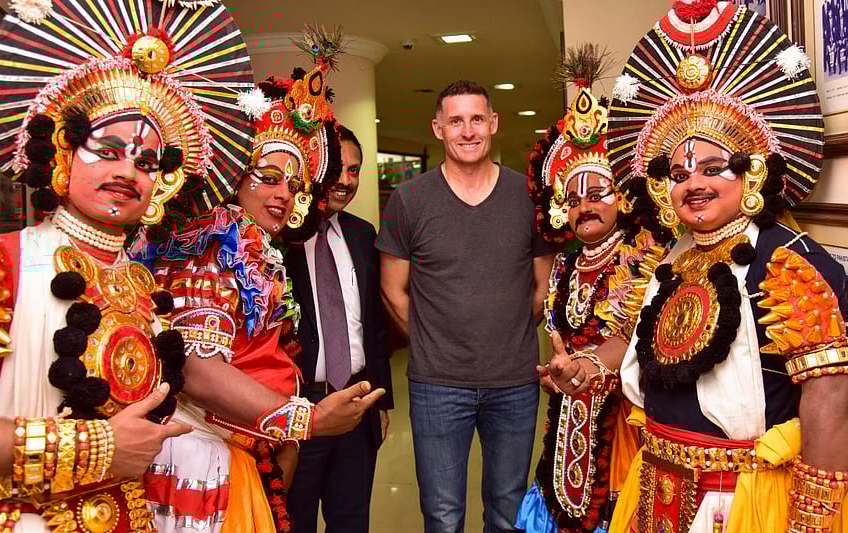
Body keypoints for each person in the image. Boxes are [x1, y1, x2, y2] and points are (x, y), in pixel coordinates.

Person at [0, 0, 256, 529]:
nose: (128, 171)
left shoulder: (141, 287)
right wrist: (95, 448)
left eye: (147, 162)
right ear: (64, 150)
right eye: (107, 148)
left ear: (161, 184)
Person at [604, 1, 848, 531]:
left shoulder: (790, 259)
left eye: (713, 167)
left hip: (745, 502)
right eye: (678, 172)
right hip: (658, 488)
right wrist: (588, 366)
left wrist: (810, 521)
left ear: (751, 174)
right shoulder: (672, 255)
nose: (693, 183)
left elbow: (836, 393)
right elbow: (635, 343)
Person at [129, 28, 386, 533]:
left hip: (244, 446)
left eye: (294, 185)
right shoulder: (207, 244)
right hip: (201, 456)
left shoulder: (253, 246)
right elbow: (197, 368)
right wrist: (301, 421)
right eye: (268, 177)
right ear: (233, 175)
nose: (284, 195)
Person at [377, 79, 554, 533]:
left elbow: (542, 286)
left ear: (493, 123)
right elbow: (394, 290)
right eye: (455, 121)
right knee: (441, 513)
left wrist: (508, 330)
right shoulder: (408, 200)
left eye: (477, 119)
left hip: (514, 383)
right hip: (437, 386)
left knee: (507, 509)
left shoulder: (528, 198)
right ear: (438, 129)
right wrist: (436, 341)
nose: (468, 130)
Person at [514, 44, 672, 533]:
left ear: (622, 196)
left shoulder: (648, 251)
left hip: (626, 425)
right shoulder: (564, 265)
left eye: (598, 192)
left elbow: (635, 338)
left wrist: (590, 367)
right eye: (573, 196)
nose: (585, 206)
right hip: (566, 421)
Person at [285, 125, 394, 533]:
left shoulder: (363, 234)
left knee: (351, 522)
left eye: (354, 171)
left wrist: (381, 401)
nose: (346, 181)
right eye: (338, 168)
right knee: (294, 521)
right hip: (300, 409)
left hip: (356, 402)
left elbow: (374, 325)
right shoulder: (280, 238)